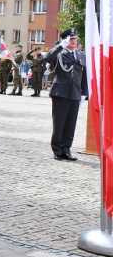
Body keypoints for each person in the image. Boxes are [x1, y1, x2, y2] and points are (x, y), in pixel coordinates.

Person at [44, 29, 87, 161]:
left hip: (75, 93)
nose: (74, 41)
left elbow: (84, 75)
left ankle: (66, 150)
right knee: (60, 123)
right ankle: (57, 150)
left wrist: (84, 93)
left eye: (75, 38)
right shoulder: (59, 53)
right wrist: (60, 46)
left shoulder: (81, 55)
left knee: (70, 124)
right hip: (60, 92)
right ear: (65, 40)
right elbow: (47, 58)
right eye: (70, 39)